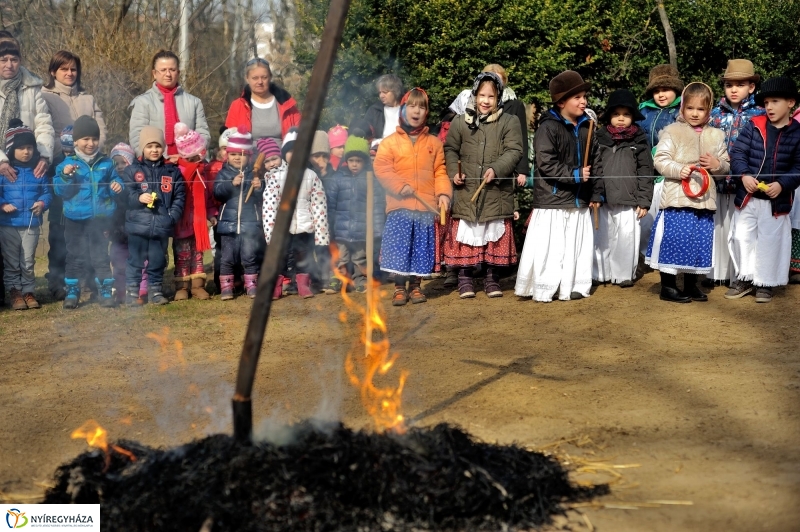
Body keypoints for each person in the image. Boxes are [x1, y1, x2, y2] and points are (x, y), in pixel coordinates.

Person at [514, 71, 603, 302]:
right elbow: (546, 163)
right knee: (552, 250)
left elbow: (598, 163)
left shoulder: (588, 127)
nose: (584, 102)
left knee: (577, 248)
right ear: (561, 102)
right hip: (553, 201)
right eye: (578, 98)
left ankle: (575, 285)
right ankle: (545, 288)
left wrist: (595, 193)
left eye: (584, 97)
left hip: (579, 200)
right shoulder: (548, 127)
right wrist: (575, 174)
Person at [645, 82, 730, 303]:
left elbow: (725, 169)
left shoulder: (716, 136)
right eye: (690, 108)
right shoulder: (672, 132)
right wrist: (678, 169)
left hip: (704, 201)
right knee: (674, 241)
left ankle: (691, 284)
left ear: (708, 110)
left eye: (700, 109)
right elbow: (660, 160)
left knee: (697, 242)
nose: (694, 113)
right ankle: (668, 286)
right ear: (682, 108)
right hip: (677, 198)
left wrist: (717, 164)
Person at [443, 72, 523, 299]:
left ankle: (491, 278)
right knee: (468, 233)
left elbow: (515, 150)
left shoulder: (509, 121)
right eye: (481, 95)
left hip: (496, 191)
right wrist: (453, 173)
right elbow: (450, 150)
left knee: (491, 234)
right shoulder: (460, 121)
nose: (486, 101)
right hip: (467, 189)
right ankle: (465, 278)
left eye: (491, 96)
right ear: (475, 95)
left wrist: (497, 168)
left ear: (499, 98)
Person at [374, 88, 452, 306]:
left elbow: (440, 172)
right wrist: (400, 186)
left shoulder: (434, 143)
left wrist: (444, 194)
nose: (416, 111)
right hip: (399, 206)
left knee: (420, 249)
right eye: (412, 105)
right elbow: (382, 169)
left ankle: (416, 287)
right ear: (403, 109)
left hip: (425, 209)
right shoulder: (389, 142)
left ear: (426, 112)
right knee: (400, 249)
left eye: (422, 106)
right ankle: (399, 288)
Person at [727, 77, 800, 303]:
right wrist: (744, 175)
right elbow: (738, 154)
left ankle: (765, 283)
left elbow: (799, 166)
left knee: (770, 240)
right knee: (742, 236)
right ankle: (745, 277)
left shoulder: (798, 132)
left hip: (776, 201)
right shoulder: (754, 125)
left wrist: (782, 184)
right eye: (766, 102)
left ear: (790, 103)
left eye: (775, 101)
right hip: (748, 197)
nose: (769, 107)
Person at [54, 116, 124, 309]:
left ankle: (105, 291)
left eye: (94, 139)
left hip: (100, 219)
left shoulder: (107, 163)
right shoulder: (66, 165)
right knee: (74, 255)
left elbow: (115, 182)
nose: (90, 143)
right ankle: (73, 291)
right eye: (85, 139)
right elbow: (60, 191)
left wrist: (117, 186)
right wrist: (66, 176)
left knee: (100, 255)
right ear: (75, 141)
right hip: (75, 218)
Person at [707, 59, 765, 287]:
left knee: (742, 232)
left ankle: (742, 275)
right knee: (719, 228)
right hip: (718, 183)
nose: (734, 89)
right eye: (729, 84)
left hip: (745, 184)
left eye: (740, 84)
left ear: (751, 87)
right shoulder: (713, 114)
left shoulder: (760, 114)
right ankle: (717, 274)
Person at [592, 89, 654, 287]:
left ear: (633, 116)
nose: (621, 119)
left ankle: (624, 274)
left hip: (630, 199)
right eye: (616, 114)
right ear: (609, 116)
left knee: (626, 238)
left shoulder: (639, 139)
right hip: (603, 198)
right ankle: (600, 273)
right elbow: (594, 168)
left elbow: (646, 171)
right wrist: (595, 194)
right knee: (601, 237)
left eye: (626, 114)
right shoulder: (599, 138)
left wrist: (644, 200)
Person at [121, 126, 185, 305]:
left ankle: (156, 290)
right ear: (142, 148)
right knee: (135, 260)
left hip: (161, 226)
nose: (154, 150)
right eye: (149, 146)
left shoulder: (172, 171)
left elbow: (179, 196)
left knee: (158, 260)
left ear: (163, 147)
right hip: (138, 226)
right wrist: (139, 197)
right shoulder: (132, 171)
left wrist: (172, 217)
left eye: (158, 146)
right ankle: (132, 292)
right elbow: (126, 195)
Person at [262, 135, 330, 299]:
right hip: (282, 228)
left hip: (304, 226)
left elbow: (319, 204)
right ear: (284, 154)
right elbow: (269, 206)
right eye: (291, 151)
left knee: (303, 257)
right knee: (280, 258)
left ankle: (303, 286)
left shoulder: (311, 176)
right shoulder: (275, 177)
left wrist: (321, 233)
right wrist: (271, 232)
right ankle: (275, 287)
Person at [324, 136, 386, 294]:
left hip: (362, 229)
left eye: (358, 160)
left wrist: (377, 229)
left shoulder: (371, 179)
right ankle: (338, 279)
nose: (354, 164)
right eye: (351, 160)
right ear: (346, 160)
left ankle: (361, 280)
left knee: (360, 258)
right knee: (341, 257)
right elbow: (330, 204)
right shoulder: (337, 178)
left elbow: (378, 205)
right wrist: (329, 226)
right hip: (341, 229)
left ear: (364, 161)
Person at [0, 119, 51, 310]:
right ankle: (15, 292)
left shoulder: (38, 171)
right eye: (21, 148)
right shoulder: (3, 173)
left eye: (29, 147)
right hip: (7, 225)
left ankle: (29, 292)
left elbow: (47, 192)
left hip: (31, 224)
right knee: (12, 262)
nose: (26, 152)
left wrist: (42, 203)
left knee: (28, 261)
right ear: (12, 149)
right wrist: (2, 204)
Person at [129, 50, 210, 157]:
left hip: (187, 165)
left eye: (172, 70)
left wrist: (189, 157)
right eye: (163, 70)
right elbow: (136, 137)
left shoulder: (194, 102)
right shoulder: (143, 102)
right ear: (154, 74)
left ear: (178, 73)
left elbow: (203, 135)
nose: (168, 74)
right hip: (155, 168)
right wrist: (155, 162)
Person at [214, 127, 264, 300]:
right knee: (227, 257)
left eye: (242, 154)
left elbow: (260, 197)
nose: (237, 157)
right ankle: (226, 287)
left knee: (249, 256)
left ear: (249, 157)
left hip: (249, 224)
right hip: (228, 224)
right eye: (234, 154)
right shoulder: (223, 173)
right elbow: (217, 192)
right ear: (227, 155)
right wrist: (231, 184)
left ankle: (251, 285)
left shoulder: (254, 173)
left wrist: (259, 188)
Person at [637, 64, 684, 247]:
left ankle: (665, 257)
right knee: (645, 220)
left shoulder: (682, 111)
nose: (661, 95)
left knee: (666, 219)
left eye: (666, 89)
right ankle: (644, 257)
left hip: (670, 175)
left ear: (676, 89)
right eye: (656, 91)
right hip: (647, 173)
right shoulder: (643, 112)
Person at [0, 40, 54, 181]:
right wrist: (2, 161)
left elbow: (44, 125)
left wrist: (44, 156)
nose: (9, 65)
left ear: (20, 61)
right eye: (3, 60)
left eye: (14, 60)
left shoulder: (32, 88)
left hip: (30, 164)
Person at [172, 123, 213, 301]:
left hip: (198, 220)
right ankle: (182, 286)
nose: (203, 154)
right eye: (199, 151)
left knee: (197, 254)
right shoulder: (178, 171)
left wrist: (211, 214)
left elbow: (208, 195)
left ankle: (197, 286)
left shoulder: (204, 171)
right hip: (182, 219)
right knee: (182, 253)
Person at [41, 50, 106, 154]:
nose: (69, 73)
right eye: (64, 69)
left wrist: (91, 151)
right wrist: (70, 153)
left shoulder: (89, 99)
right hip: (60, 162)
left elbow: (101, 131)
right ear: (53, 72)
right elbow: (45, 131)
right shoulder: (44, 97)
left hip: (91, 160)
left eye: (73, 69)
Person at [224, 57, 300, 143]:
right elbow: (229, 141)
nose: (260, 82)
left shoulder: (287, 105)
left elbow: (301, 136)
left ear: (270, 77)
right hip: (249, 155)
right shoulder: (237, 106)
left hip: (282, 155)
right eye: (255, 78)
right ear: (247, 79)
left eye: (264, 77)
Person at [481, 64, 530, 183]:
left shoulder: (515, 104)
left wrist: (522, 170)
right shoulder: (479, 102)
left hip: (506, 164)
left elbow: (522, 136)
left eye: (499, 80)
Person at [108, 142, 139, 303]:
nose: (120, 167)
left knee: (137, 261)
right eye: (116, 163)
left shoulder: (138, 183)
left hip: (135, 230)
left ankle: (137, 290)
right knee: (118, 261)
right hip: (117, 231)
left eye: (123, 162)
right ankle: (119, 291)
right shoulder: (110, 184)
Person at [363, 74, 404, 140]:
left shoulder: (406, 110)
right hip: (379, 147)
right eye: (380, 93)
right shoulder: (374, 110)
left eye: (385, 92)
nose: (381, 96)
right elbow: (365, 132)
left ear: (395, 91)